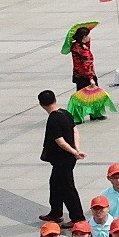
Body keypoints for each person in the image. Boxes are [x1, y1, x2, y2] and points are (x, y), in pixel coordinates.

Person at [37, 90, 85, 226]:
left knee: (67, 188)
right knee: (55, 183)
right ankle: (55, 212)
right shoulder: (65, 113)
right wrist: (76, 149)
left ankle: (78, 218)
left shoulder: (53, 119)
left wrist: (74, 152)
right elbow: (75, 131)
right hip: (68, 158)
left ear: (41, 105)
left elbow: (60, 141)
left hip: (62, 160)